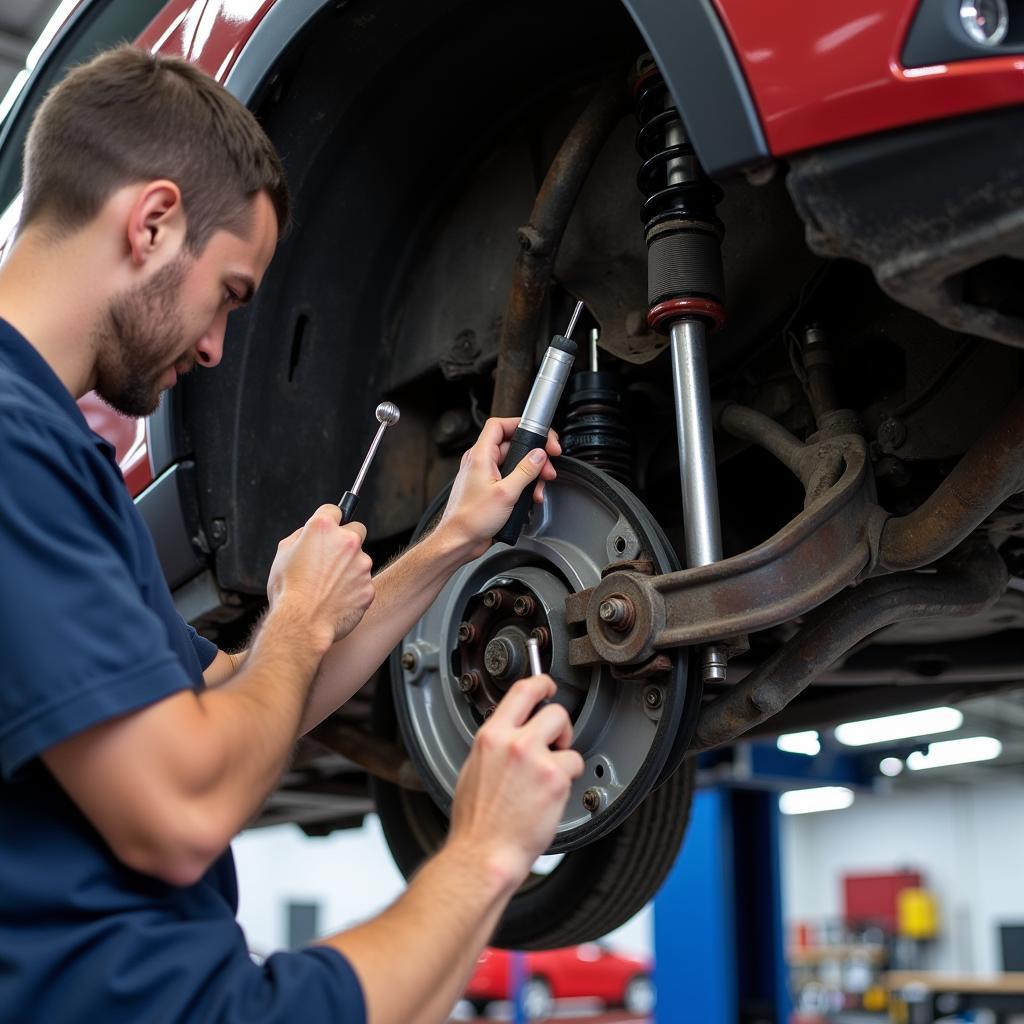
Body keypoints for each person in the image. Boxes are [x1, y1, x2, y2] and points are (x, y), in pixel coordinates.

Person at [0, 45, 583, 1024]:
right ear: (151, 223)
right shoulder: (14, 445)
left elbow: (229, 697)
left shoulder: (48, 450)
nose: (220, 346)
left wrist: (448, 539)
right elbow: (185, 809)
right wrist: (486, 847)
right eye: (229, 292)